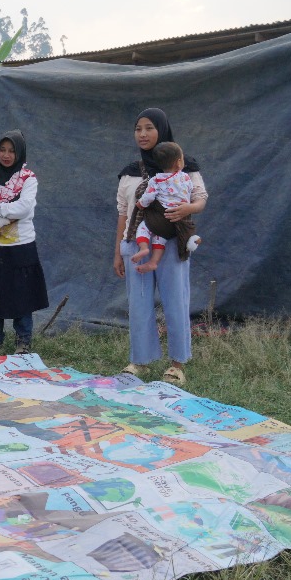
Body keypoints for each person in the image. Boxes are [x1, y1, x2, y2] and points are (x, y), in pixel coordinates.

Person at [114, 108, 209, 384]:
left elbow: (201, 198)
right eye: (138, 129)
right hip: (136, 244)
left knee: (176, 301)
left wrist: (187, 208)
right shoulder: (130, 173)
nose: (142, 134)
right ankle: (139, 361)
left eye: (149, 128)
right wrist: (118, 251)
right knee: (139, 303)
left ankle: (177, 364)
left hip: (171, 244)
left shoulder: (184, 166)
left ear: (162, 129)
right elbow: (123, 212)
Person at [0, 130, 49, 353]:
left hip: (20, 248)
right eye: (2, 150)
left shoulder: (28, 179)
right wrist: (2, 219)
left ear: (20, 153)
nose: (6, 155)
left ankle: (23, 341)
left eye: (12, 151)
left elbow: (23, 208)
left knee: (22, 297)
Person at [129, 141, 202, 273]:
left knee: (143, 228)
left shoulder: (156, 180)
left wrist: (141, 204)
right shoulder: (185, 178)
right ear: (179, 162)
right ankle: (153, 262)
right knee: (160, 239)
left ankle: (144, 247)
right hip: (177, 223)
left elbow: (148, 197)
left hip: (161, 218)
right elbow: (191, 191)